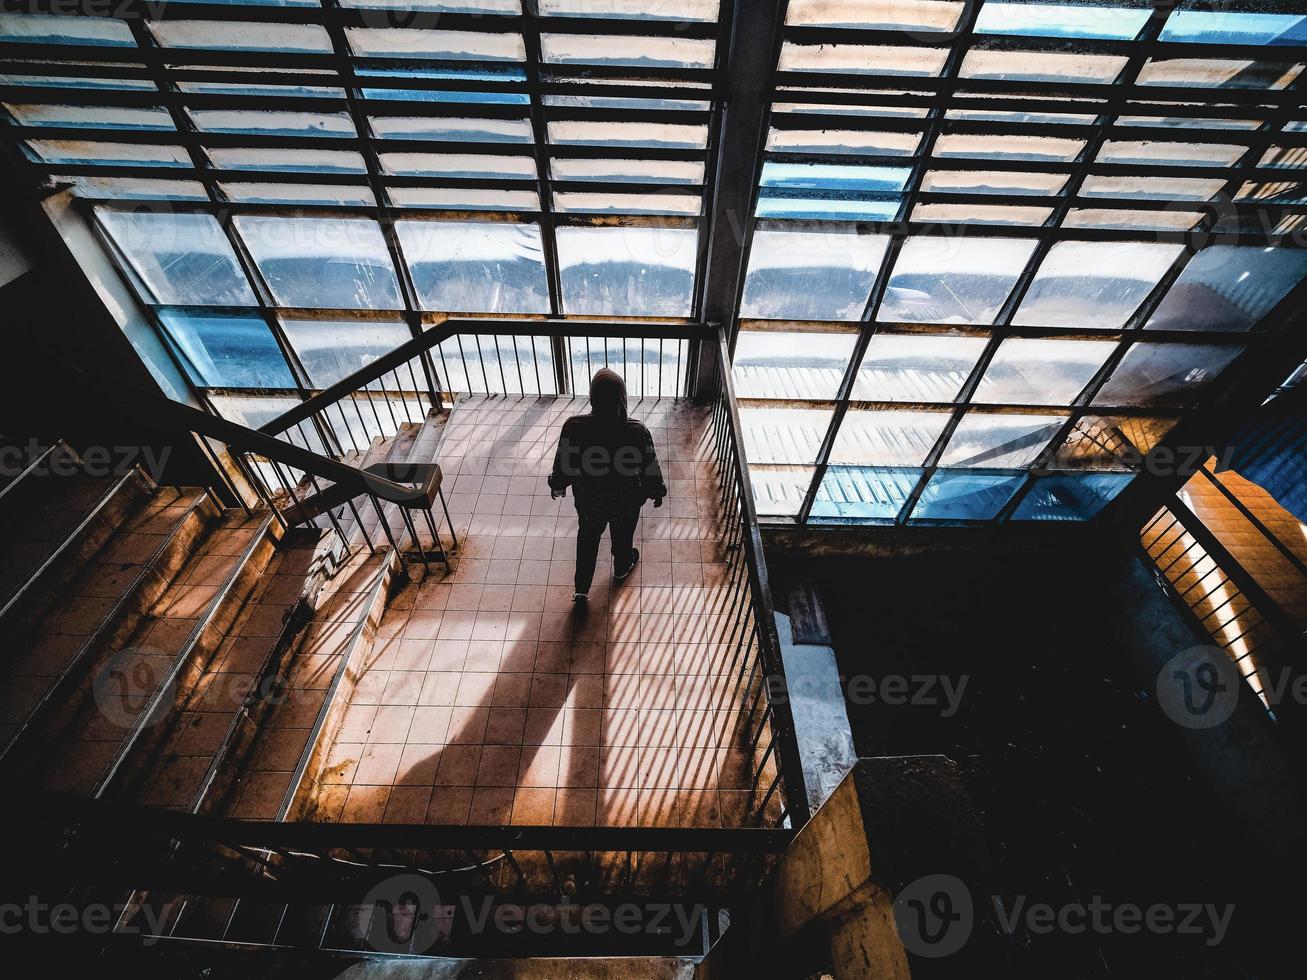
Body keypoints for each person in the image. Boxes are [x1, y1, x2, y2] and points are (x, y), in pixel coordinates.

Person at [548, 369, 666, 602]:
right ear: (622, 398)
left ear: (593, 398)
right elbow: (649, 466)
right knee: (623, 538)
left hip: (590, 503)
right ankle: (622, 567)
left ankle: (581, 588)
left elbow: (565, 466)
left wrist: (557, 483)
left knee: (587, 541)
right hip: (626, 503)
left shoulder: (574, 427)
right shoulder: (636, 431)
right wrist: (656, 491)